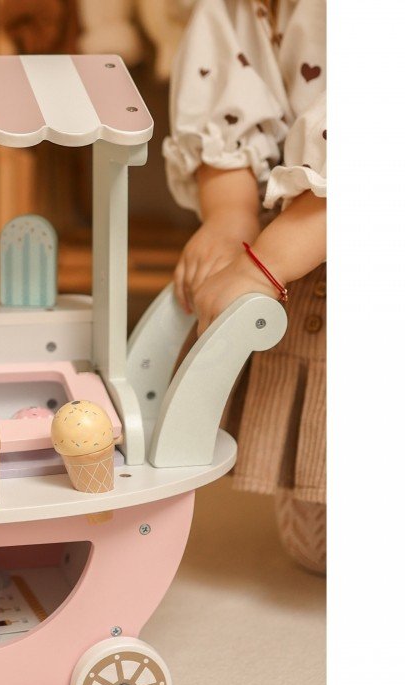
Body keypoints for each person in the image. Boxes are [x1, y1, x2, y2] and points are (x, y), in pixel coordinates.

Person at [163, 0, 326, 572]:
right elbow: (224, 79)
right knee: (316, 545)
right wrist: (230, 214)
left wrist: (266, 263)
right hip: (304, 233)